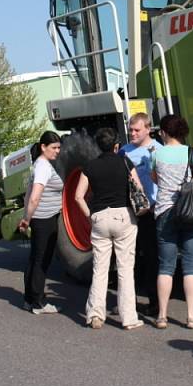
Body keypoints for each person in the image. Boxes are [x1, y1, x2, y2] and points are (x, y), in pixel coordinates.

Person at [75, 127, 145, 331]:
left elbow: (78, 196)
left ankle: (96, 315)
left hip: (99, 217)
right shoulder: (125, 162)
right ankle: (129, 318)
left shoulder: (90, 166)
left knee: (100, 269)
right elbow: (138, 188)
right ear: (116, 146)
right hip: (123, 216)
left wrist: (90, 217)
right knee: (125, 269)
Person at [150, 114, 193, 330]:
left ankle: (162, 316)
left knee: (166, 266)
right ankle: (191, 316)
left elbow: (155, 178)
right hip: (190, 213)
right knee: (190, 265)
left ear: (165, 132)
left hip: (165, 212)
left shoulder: (157, 154)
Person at [119, 113, 161, 315]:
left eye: (136, 130)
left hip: (153, 211)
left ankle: (155, 301)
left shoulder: (159, 150)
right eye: (130, 130)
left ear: (148, 129)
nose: (132, 133)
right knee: (130, 259)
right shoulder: (124, 153)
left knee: (153, 257)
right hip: (132, 213)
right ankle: (130, 302)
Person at [18, 131, 63, 314]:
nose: (57, 151)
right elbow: (35, 196)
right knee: (41, 261)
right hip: (44, 220)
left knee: (35, 259)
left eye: (59, 147)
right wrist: (27, 219)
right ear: (43, 147)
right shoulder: (43, 166)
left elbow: (28, 193)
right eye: (54, 147)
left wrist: (27, 217)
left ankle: (29, 299)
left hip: (40, 219)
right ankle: (38, 302)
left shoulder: (38, 164)